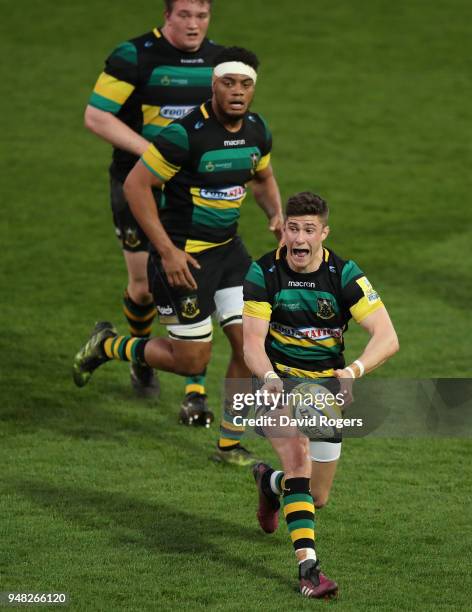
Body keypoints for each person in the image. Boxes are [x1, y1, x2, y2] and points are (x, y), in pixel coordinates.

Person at [73, 47, 284, 465]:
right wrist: (166, 251)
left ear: (254, 88)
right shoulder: (183, 134)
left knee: (250, 348)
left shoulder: (257, 130)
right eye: (228, 83)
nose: (237, 92)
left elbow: (262, 176)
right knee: (191, 358)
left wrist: (275, 211)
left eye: (245, 84)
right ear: (214, 85)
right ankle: (109, 345)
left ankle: (228, 443)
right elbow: (136, 186)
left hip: (229, 253)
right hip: (182, 258)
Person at [242, 191, 399, 598]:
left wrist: (352, 371)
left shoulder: (343, 275)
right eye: (293, 228)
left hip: (323, 392)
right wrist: (268, 375)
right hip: (274, 384)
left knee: (316, 496)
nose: (299, 238)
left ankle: (269, 484)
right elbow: (252, 343)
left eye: (309, 229)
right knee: (298, 459)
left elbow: (387, 336)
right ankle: (309, 571)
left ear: (323, 233)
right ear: (284, 231)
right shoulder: (264, 273)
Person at [84, 0, 222, 402]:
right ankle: (140, 357)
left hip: (191, 191)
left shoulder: (218, 61)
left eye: (202, 15)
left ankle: (195, 390)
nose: (194, 25)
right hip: (136, 184)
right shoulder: (135, 56)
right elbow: (96, 116)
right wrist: (154, 157)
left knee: (196, 276)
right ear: (167, 16)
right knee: (143, 287)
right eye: (185, 15)